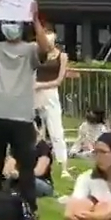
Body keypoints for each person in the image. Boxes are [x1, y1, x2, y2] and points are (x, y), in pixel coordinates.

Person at [0, 2, 56, 216]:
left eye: (14, 22)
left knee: (25, 169)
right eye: (7, 22)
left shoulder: (30, 50)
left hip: (22, 117)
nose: (10, 27)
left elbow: (45, 49)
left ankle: (29, 212)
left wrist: (35, 20)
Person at [35, 32, 70, 167]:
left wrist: (40, 85)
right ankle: (40, 161)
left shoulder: (61, 56)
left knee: (56, 129)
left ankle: (63, 164)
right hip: (36, 92)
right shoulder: (39, 55)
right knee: (38, 129)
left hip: (49, 92)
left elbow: (59, 80)